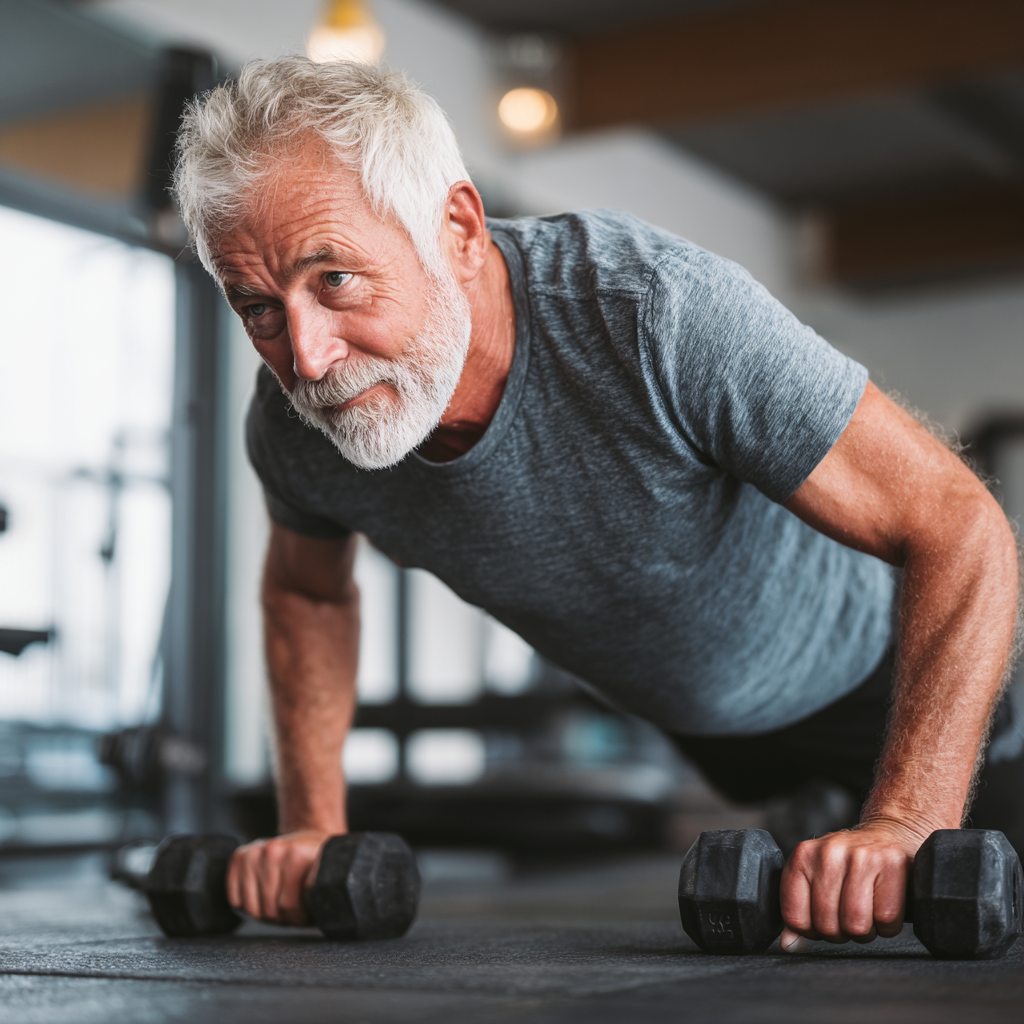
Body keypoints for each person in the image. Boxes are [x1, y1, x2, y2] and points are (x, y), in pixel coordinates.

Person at [173, 57, 1021, 950]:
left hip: (898, 693)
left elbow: (960, 525)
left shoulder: (655, 316)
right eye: (258, 308)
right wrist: (311, 823)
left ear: (457, 230)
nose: (305, 356)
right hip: (712, 735)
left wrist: (908, 820)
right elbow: (307, 591)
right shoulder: (297, 427)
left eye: (334, 278)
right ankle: (815, 808)